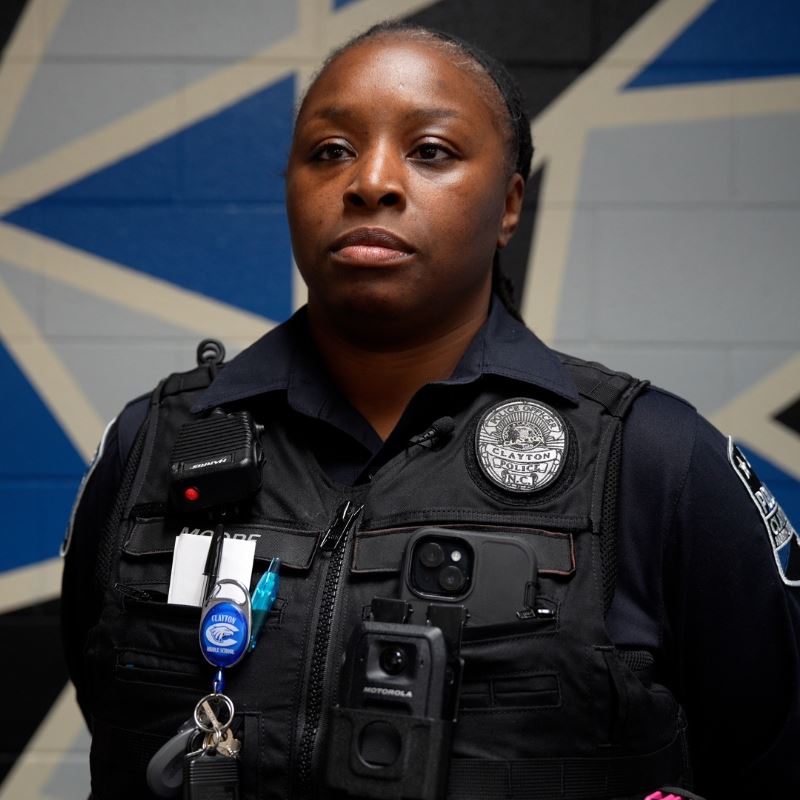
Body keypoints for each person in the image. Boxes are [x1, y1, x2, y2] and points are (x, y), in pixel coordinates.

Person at [61, 20, 800, 800]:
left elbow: (774, 754)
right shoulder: (153, 445)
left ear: (510, 204)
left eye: (432, 152)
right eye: (330, 151)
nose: (370, 181)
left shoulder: (653, 460)